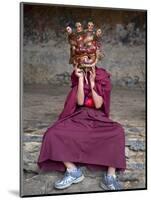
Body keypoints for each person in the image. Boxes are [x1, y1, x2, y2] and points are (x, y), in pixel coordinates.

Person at [37, 64, 126, 191]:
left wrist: (92, 82)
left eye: (88, 56)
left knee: (118, 132)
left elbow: (99, 103)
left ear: (95, 57)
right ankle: (73, 171)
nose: (85, 59)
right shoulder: (77, 74)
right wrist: (80, 79)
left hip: (97, 116)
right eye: (82, 56)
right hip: (80, 115)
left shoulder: (102, 75)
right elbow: (79, 102)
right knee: (53, 133)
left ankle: (110, 176)